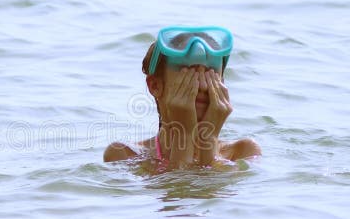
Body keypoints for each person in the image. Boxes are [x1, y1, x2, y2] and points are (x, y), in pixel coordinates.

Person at [104, 26, 261, 170]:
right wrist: (183, 136)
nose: (203, 86)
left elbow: (211, 195)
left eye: (211, 73)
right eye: (189, 74)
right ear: (155, 86)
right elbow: (179, 191)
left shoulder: (243, 152)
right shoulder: (124, 155)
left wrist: (209, 138)